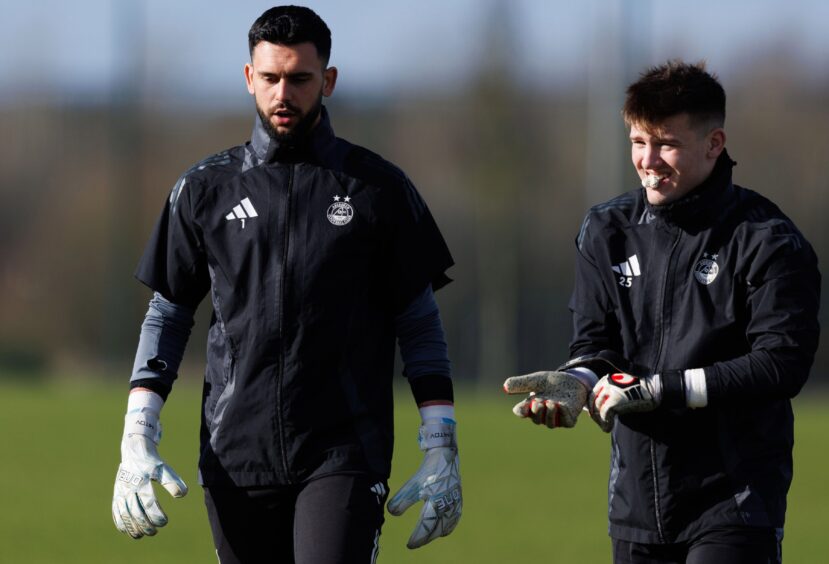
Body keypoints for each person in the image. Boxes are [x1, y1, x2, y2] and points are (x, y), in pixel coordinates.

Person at [111, 6, 462, 562]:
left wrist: (440, 439)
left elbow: (418, 321)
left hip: (344, 453)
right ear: (249, 77)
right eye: (270, 78)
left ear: (328, 80)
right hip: (235, 453)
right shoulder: (204, 190)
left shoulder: (380, 190)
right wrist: (138, 431)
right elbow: (168, 313)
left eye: (299, 79)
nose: (283, 94)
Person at [504, 60, 820, 563]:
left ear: (714, 143)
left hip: (735, 500)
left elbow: (782, 364)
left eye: (666, 143)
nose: (648, 160)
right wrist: (578, 382)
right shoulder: (605, 229)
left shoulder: (768, 240)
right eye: (637, 142)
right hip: (636, 504)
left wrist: (663, 390)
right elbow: (596, 344)